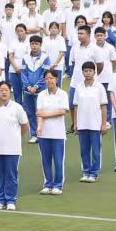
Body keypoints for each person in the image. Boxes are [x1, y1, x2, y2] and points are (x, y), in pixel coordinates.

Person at [0, 80, 28, 211]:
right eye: (1, 90)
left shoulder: (17, 108)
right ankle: (0, 200)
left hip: (12, 148)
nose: (4, 92)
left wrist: (15, 137)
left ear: (10, 92)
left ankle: (10, 200)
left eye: (6, 90)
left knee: (11, 175)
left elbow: (24, 126)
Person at [33, 66, 69, 194]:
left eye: (51, 78)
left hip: (58, 134)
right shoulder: (41, 95)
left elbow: (62, 111)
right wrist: (39, 127)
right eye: (47, 78)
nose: (49, 81)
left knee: (58, 161)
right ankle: (48, 184)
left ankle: (58, 185)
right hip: (44, 134)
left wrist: (45, 114)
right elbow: (39, 113)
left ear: (56, 79)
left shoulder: (63, 94)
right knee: (46, 160)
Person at [72, 61, 109, 183]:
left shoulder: (99, 87)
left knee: (96, 150)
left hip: (95, 124)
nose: (88, 73)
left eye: (90, 71)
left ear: (94, 72)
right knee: (84, 150)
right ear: (82, 72)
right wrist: (75, 124)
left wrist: (104, 124)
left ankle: (94, 173)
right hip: (82, 124)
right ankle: (86, 172)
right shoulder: (79, 87)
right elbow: (76, 106)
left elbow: (104, 106)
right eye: (86, 71)